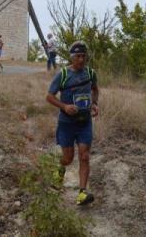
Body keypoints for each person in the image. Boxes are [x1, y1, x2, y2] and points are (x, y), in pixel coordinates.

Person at [46, 41, 99, 206]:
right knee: (68, 158)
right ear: (72, 57)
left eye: (84, 56)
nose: (81, 60)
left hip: (85, 123)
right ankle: (60, 170)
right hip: (67, 123)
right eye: (78, 56)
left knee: (84, 156)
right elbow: (49, 96)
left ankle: (82, 193)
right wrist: (64, 106)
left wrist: (95, 103)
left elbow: (95, 89)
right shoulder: (62, 74)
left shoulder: (90, 73)